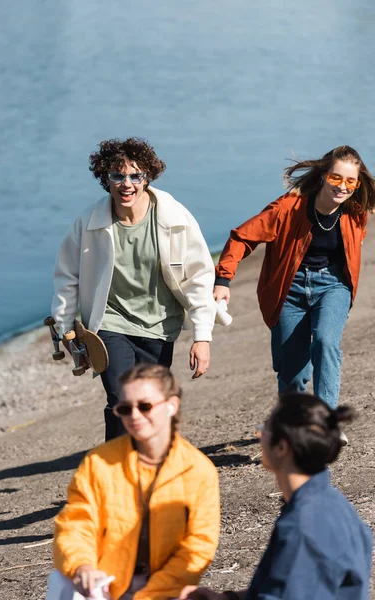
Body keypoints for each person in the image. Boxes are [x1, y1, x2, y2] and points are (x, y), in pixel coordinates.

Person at [52, 137, 228, 440]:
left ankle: (150, 465)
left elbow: (199, 277)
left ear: (148, 177)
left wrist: (202, 336)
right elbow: (67, 276)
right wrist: (65, 328)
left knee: (150, 404)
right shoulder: (89, 223)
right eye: (117, 176)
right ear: (105, 178)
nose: (126, 184)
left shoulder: (174, 218)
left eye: (136, 175)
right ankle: (117, 472)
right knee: (121, 401)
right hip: (109, 323)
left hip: (159, 326)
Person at [214, 146, 375, 415]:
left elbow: (356, 240)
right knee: (294, 373)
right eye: (336, 178)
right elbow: (242, 237)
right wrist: (223, 280)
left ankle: (325, 422)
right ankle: (293, 424)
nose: (342, 187)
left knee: (325, 342)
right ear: (324, 175)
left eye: (350, 181)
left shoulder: (355, 211)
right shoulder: (288, 209)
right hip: (289, 289)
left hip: (333, 285)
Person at [46, 364, 220, 600]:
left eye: (145, 406)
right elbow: (77, 523)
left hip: (166, 591)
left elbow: (199, 545)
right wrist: (82, 566)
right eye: (125, 408)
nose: (134, 415)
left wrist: (151, 594)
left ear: (172, 405)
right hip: (102, 587)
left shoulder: (198, 471)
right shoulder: (99, 462)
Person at [180, 392, 372, 600]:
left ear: (282, 447)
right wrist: (228, 598)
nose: (258, 435)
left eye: (265, 429)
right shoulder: (330, 506)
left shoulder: (302, 527)